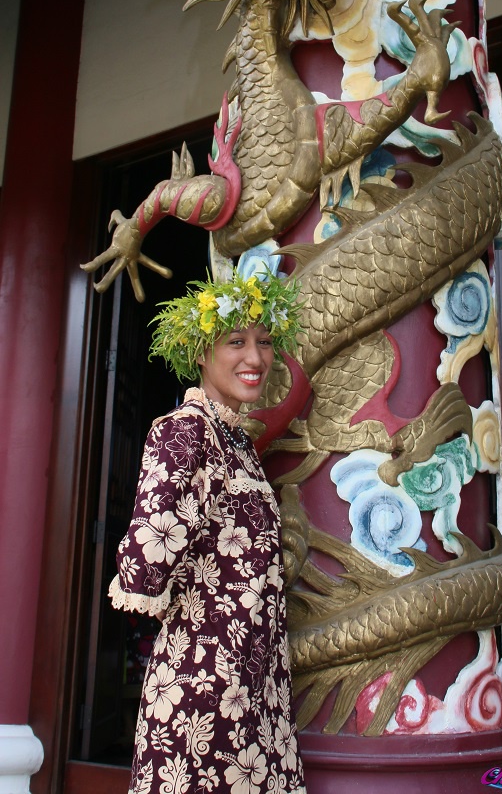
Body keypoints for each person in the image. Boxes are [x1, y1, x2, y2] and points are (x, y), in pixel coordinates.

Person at [109, 271, 306, 794]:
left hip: (255, 690)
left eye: (264, 342)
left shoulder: (235, 440)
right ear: (201, 353)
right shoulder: (186, 430)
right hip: (203, 692)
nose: (255, 357)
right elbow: (145, 560)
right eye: (236, 341)